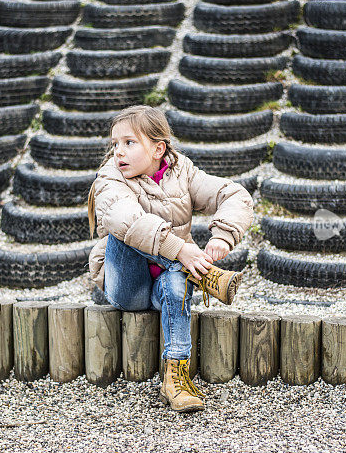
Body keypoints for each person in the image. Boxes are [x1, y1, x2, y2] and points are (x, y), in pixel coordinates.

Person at [86, 105, 254, 413]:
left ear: (158, 148)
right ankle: (204, 275)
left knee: (177, 285)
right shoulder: (109, 179)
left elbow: (235, 196)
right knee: (125, 230)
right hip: (128, 286)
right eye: (115, 144)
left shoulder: (182, 172)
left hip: (164, 282)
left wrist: (222, 236)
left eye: (129, 143)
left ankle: (176, 380)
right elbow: (127, 220)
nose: (118, 152)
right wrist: (182, 250)